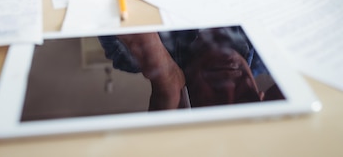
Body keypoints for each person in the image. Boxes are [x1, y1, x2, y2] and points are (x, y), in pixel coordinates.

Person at [99, 26, 283, 110]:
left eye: (216, 102)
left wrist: (165, 80)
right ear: (262, 98)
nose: (228, 86)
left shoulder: (132, 57)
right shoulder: (280, 49)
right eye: (244, 99)